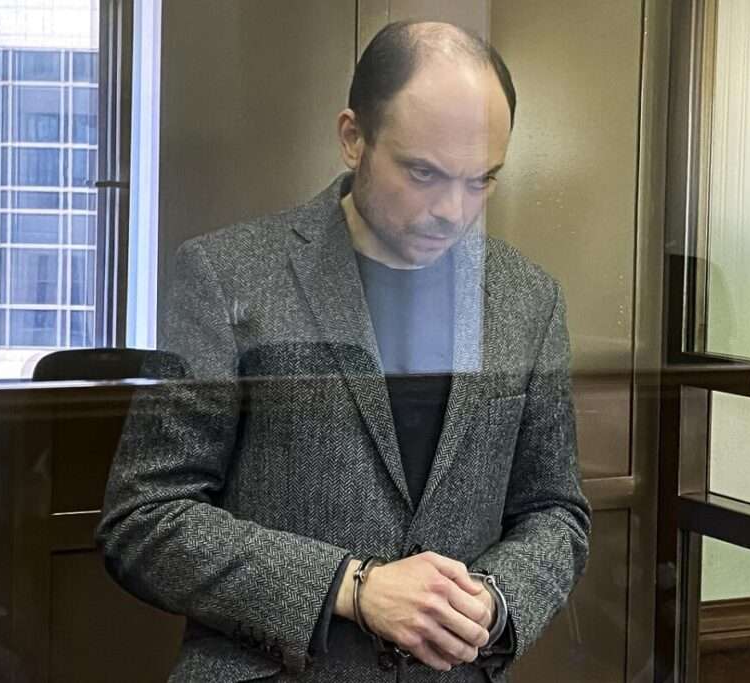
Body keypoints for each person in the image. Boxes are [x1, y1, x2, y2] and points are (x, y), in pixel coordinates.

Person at [96, 20, 591, 682]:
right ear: (353, 137)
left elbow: (556, 510)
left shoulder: (530, 299)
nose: (453, 209)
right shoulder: (229, 274)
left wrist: (493, 599)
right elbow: (142, 519)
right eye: (424, 172)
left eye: (482, 181)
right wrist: (350, 587)